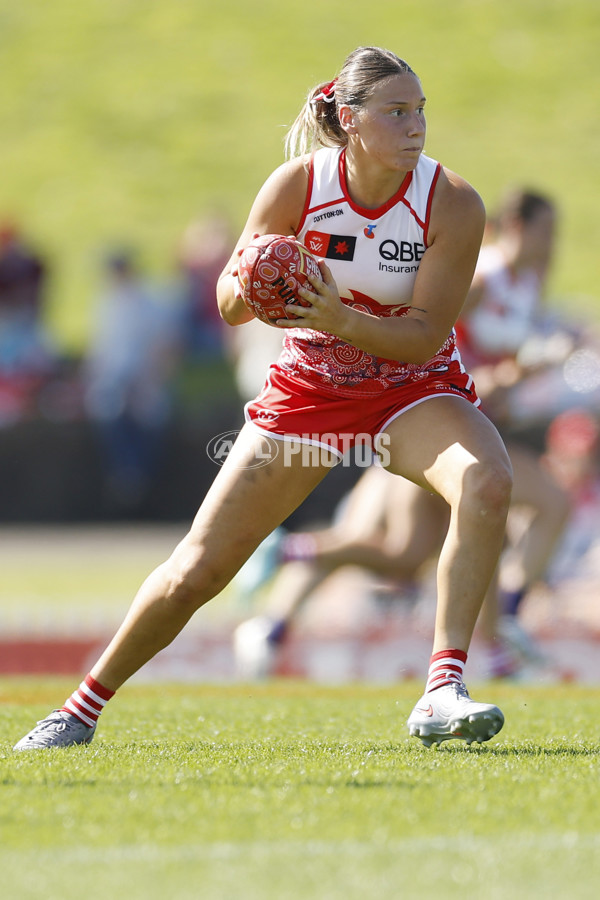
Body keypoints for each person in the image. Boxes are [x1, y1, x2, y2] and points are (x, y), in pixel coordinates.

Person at [14, 46, 511, 752]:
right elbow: (227, 302)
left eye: (420, 111)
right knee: (201, 568)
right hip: (310, 391)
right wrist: (257, 281)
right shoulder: (297, 187)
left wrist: (338, 315)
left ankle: (442, 690)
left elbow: (426, 337)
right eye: (397, 112)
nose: (416, 127)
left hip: (410, 387)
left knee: (487, 482)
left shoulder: (453, 202)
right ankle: (79, 708)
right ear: (349, 119)